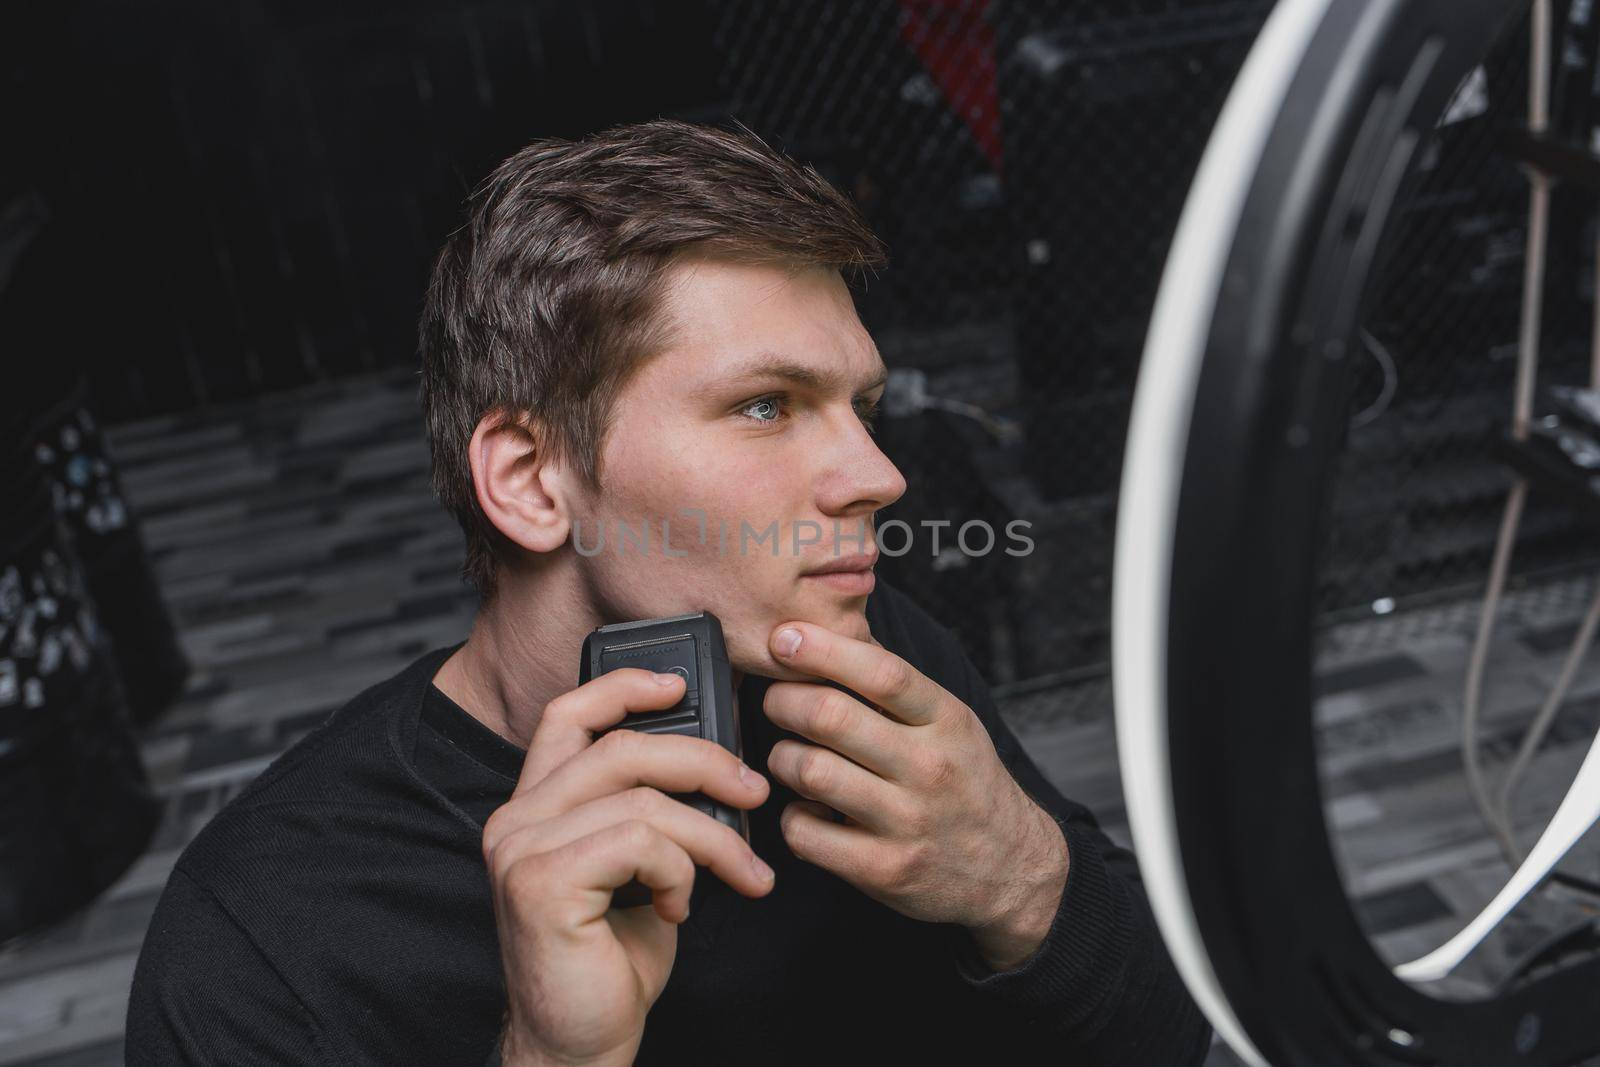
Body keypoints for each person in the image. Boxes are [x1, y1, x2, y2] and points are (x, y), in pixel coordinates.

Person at [127, 119, 1212, 1065]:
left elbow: (1167, 1037)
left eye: (860, 406)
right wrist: (554, 1055)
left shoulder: (876, 665)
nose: (879, 475)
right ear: (530, 480)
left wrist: (1025, 881)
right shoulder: (261, 934)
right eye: (764, 406)